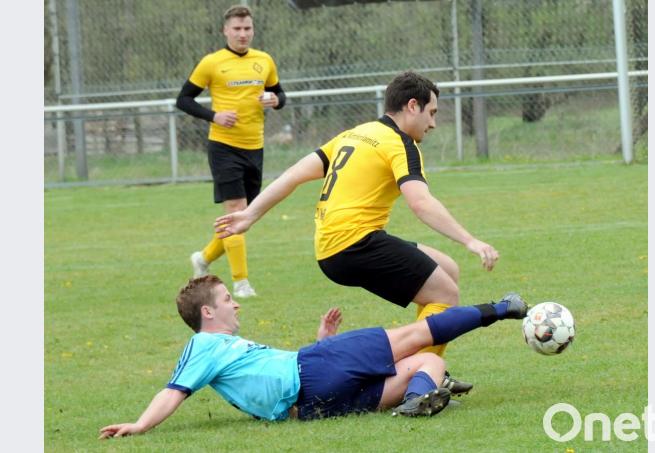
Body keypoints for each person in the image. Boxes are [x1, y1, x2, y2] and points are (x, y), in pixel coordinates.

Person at [214, 71, 499, 392]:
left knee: (447, 269)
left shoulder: (356, 133)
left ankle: (424, 367)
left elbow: (293, 174)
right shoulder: (401, 144)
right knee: (445, 294)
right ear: (412, 106)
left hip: (333, 246)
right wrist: (470, 240)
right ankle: (416, 378)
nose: (432, 124)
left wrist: (250, 214)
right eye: (432, 113)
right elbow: (421, 203)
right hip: (356, 245)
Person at [98, 275, 527, 438]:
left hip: (310, 406)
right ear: (207, 312)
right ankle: (500, 308)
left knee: (430, 363)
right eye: (229, 299)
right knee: (416, 336)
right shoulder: (204, 346)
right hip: (313, 369)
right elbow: (174, 390)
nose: (237, 305)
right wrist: (139, 425)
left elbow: (267, 378)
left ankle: (421, 397)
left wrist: (321, 340)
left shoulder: (226, 351)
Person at [176, 4, 287, 298]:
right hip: (224, 147)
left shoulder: (264, 60)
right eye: (236, 29)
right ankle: (241, 283)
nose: (242, 34)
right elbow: (183, 99)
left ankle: (203, 258)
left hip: (255, 146)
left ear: (252, 30)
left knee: (244, 218)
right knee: (236, 211)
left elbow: (281, 95)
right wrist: (214, 116)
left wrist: (274, 100)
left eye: (247, 28)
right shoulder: (212, 63)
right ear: (225, 30)